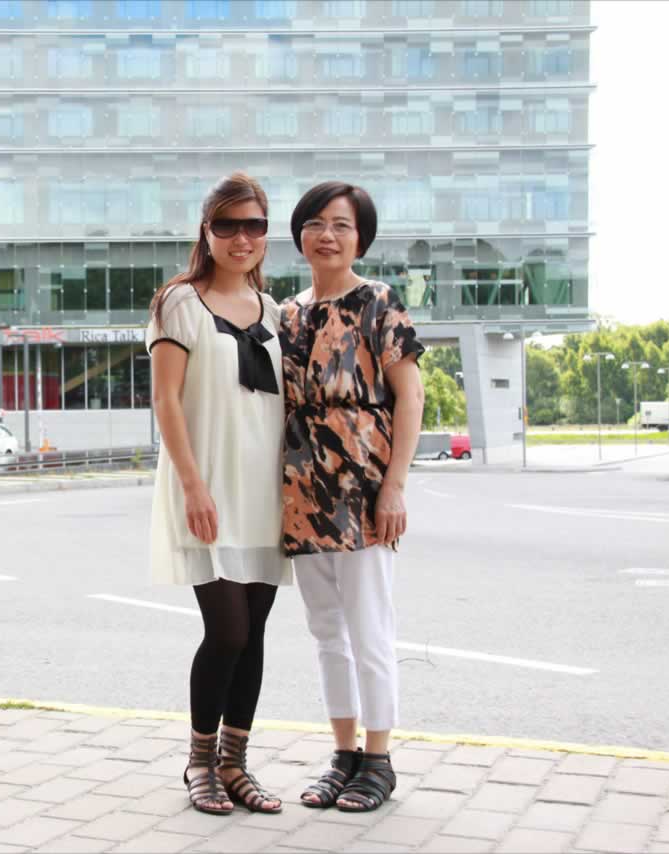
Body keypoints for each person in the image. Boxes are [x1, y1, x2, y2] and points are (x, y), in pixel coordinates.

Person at [146, 172, 293, 816]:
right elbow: (166, 400)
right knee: (227, 630)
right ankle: (200, 762)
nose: (241, 238)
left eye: (253, 225)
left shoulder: (277, 313)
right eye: (227, 225)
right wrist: (192, 485)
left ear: (266, 234)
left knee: (254, 632)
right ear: (206, 231)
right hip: (208, 487)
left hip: (266, 491)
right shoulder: (179, 302)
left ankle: (235, 763)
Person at [279, 182, 425, 812]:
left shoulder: (378, 302)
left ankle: (379, 760)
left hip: (363, 488)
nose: (327, 235)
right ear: (300, 236)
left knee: (371, 630)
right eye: (315, 223)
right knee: (326, 631)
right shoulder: (287, 313)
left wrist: (395, 485)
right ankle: (342, 754)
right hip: (302, 490)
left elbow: (411, 395)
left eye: (341, 224)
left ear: (360, 237)